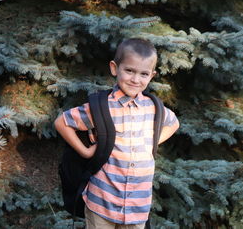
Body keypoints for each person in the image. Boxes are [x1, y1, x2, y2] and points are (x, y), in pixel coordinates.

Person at [54, 38, 179, 229]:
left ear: (152, 76)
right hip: (101, 203)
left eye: (144, 74)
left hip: (138, 207)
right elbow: (62, 123)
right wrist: (86, 152)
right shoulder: (100, 107)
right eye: (129, 70)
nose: (136, 79)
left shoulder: (154, 108)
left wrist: (152, 143)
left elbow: (174, 123)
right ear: (114, 68)